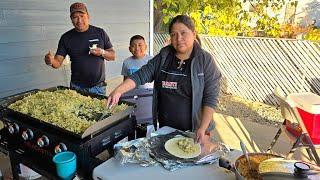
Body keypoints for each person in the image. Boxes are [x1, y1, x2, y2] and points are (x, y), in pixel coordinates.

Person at [107, 15, 221, 144]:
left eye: (183, 33)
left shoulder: (205, 60)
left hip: (195, 131)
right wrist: (118, 90)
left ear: (194, 34)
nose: (179, 39)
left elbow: (211, 98)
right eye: (174, 34)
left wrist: (202, 128)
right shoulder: (164, 56)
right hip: (166, 129)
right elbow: (140, 75)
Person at [44, 2, 115, 95]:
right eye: (75, 17)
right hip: (76, 88)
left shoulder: (100, 32)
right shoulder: (66, 38)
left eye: (82, 16)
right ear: (71, 19)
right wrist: (50, 61)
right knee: (76, 110)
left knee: (99, 110)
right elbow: (57, 63)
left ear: (88, 16)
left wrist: (102, 52)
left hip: (98, 88)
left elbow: (112, 56)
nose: (79, 20)